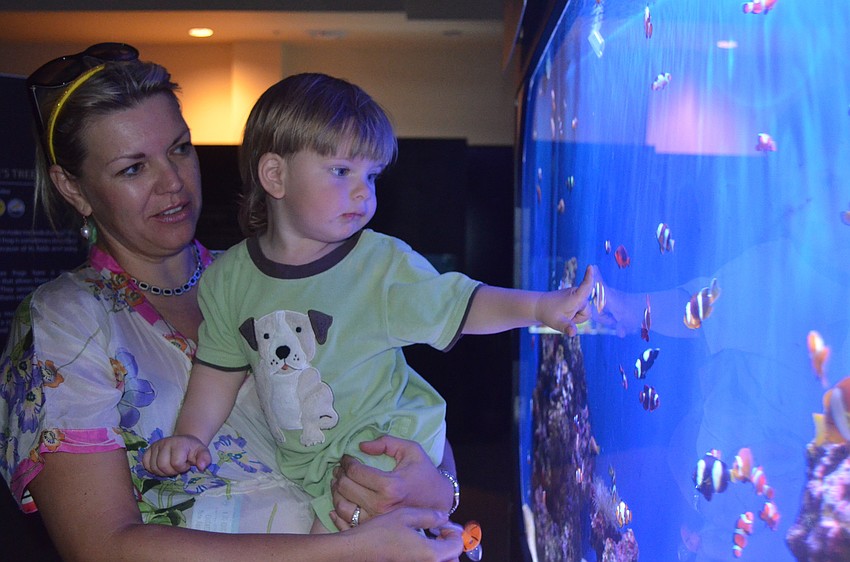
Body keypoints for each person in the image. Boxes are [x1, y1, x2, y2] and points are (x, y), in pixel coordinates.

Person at [0, 43, 463, 561]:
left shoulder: (268, 272)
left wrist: (439, 486)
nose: (172, 182)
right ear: (73, 188)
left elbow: (399, 398)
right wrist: (344, 549)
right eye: (133, 169)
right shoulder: (67, 319)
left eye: (179, 149)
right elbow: (99, 547)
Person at [142, 73, 596, 533]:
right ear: (275, 175)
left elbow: (461, 302)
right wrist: (190, 435)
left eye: (372, 176)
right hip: (310, 462)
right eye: (342, 171)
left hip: (384, 442)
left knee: (328, 546)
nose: (364, 192)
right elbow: (217, 369)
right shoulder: (227, 279)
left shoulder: (380, 265)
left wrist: (538, 308)